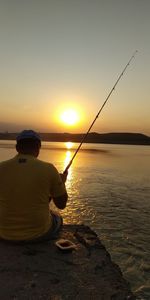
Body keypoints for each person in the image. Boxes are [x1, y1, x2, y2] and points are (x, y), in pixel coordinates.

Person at [0, 130, 68, 243]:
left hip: (3, 233)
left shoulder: (1, 167)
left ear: (17, 148)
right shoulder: (49, 169)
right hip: (37, 234)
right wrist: (62, 183)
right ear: (38, 148)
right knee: (57, 217)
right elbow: (61, 204)